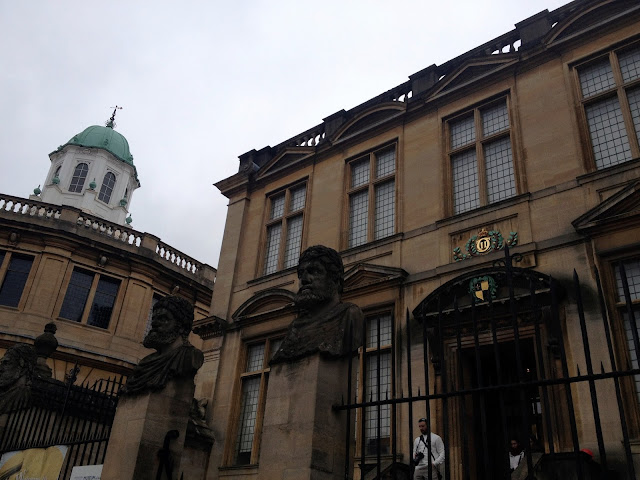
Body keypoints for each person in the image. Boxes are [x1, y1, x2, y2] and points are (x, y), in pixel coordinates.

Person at [271, 245, 363, 364]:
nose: (304, 279)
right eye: (301, 273)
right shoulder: (295, 326)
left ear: (336, 282)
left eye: (314, 271)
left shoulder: (349, 315)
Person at [122, 295, 204, 395]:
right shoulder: (145, 362)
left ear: (181, 327)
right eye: (154, 318)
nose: (154, 323)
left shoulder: (191, 357)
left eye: (163, 319)